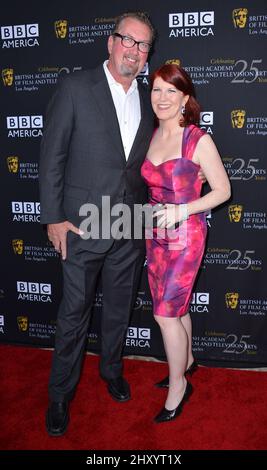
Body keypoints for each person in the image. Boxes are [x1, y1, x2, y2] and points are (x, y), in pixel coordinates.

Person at [39, 11, 156, 437]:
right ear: (110, 42)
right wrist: (53, 217)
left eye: (143, 45)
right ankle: (59, 394)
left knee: (120, 307)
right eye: (129, 40)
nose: (135, 51)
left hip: (130, 218)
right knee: (74, 312)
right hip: (83, 222)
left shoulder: (150, 97)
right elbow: (51, 158)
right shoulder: (75, 88)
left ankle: (111, 371)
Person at [141, 64, 231, 423]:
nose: (162, 98)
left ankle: (179, 385)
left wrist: (182, 209)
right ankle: (188, 361)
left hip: (186, 235)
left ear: (185, 99)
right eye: (156, 90)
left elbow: (223, 190)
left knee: (164, 314)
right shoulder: (150, 135)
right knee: (176, 307)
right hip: (154, 234)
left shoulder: (197, 138)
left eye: (171, 92)